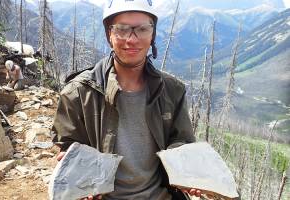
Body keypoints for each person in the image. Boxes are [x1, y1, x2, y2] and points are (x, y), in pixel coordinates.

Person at [52, 0, 199, 199]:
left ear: (153, 34)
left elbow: (181, 139)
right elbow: (69, 145)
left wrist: (184, 167)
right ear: (109, 34)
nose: (132, 39)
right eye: (122, 29)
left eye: (142, 29)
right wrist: (74, 169)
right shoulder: (78, 93)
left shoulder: (172, 90)